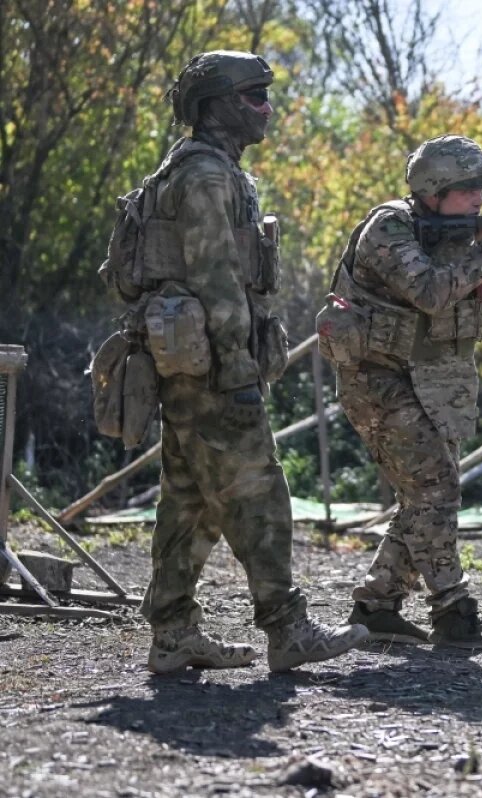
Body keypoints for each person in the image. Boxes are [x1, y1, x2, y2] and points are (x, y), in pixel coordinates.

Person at [134, 51, 367, 673]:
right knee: (259, 491)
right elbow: (215, 281)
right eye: (254, 95)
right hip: (213, 364)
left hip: (191, 362)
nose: (267, 107)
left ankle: (174, 635)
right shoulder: (206, 176)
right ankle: (288, 629)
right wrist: (237, 364)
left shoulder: (205, 169)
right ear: (217, 104)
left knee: (187, 498)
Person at [322, 135, 482, 651]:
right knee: (435, 489)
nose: (479, 199)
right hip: (377, 377)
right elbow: (429, 291)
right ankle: (453, 613)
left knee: (424, 495)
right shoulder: (390, 228)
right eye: (467, 191)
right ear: (434, 191)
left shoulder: (470, 233)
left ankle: (375, 607)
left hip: (439, 383)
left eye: (481, 188)